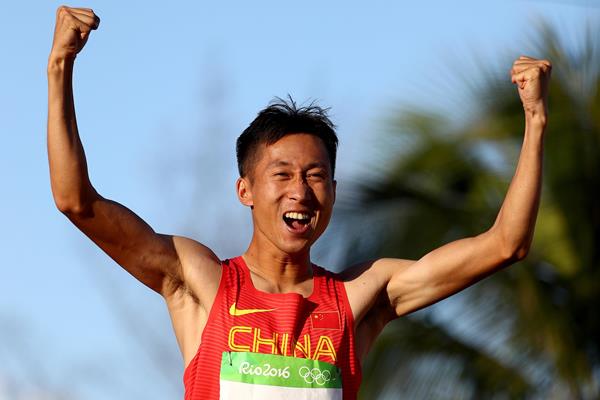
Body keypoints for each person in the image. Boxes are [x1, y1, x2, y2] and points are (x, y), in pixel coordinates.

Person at [47, 6, 552, 400]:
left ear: (332, 189)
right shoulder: (199, 281)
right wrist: (60, 67)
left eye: (316, 176)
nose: (301, 191)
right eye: (282, 174)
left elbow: (506, 244)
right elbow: (77, 203)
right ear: (245, 190)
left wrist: (535, 122)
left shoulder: (360, 295)